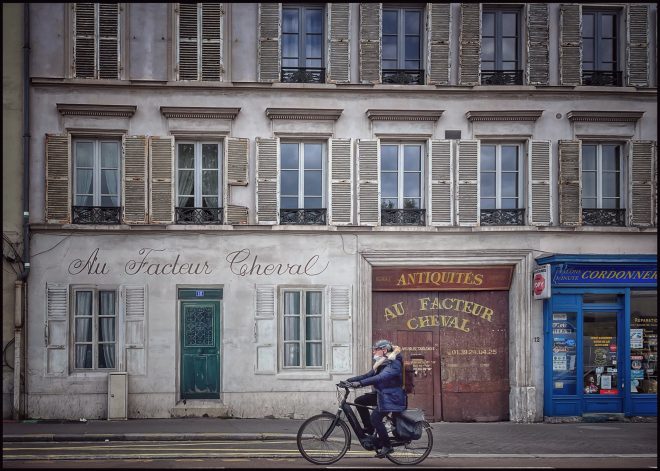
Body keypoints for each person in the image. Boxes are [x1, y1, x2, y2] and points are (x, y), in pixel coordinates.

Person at [345, 339, 407, 458]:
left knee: (376, 418)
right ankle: (369, 429)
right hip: (382, 394)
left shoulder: (394, 364)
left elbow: (380, 378)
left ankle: (387, 446)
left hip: (392, 397)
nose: (373, 352)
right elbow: (368, 376)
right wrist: (349, 381)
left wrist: (360, 384)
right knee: (359, 401)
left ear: (384, 350)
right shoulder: (383, 362)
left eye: (376, 349)